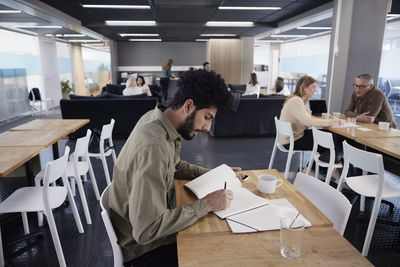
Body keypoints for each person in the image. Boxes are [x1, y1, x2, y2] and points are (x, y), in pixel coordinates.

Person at [109, 69, 243, 267]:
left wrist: (215, 174)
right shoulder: (155, 146)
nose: (207, 127)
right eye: (207, 117)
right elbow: (146, 231)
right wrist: (207, 204)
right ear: (189, 106)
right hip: (144, 252)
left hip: (139, 232)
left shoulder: (155, 119)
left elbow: (175, 165)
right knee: (223, 249)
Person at [279, 75, 342, 151]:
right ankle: (327, 160)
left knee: (328, 136)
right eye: (314, 87)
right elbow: (309, 122)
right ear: (304, 87)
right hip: (292, 141)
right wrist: (332, 121)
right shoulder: (296, 101)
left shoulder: (296, 99)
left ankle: (320, 161)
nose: (315, 90)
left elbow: (307, 120)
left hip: (290, 139)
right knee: (329, 138)